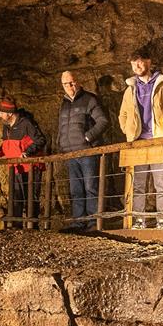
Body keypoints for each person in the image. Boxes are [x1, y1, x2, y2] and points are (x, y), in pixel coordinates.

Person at [118, 55, 163, 229]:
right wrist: (128, 131)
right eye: (133, 63)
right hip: (138, 142)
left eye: (140, 61)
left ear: (148, 62)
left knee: (161, 184)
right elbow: (123, 114)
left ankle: (161, 220)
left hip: (158, 140)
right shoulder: (130, 89)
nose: (137, 66)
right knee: (138, 184)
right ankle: (139, 220)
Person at [55, 70, 112, 230]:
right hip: (71, 153)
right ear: (62, 85)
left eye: (72, 82)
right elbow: (62, 127)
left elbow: (103, 121)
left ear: (78, 82)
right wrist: (61, 143)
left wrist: (87, 137)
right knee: (76, 190)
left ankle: (94, 223)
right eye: (66, 83)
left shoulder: (89, 99)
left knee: (90, 187)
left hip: (87, 152)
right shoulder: (64, 103)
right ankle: (79, 222)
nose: (70, 86)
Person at [0, 97, 48, 227]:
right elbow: (6, 145)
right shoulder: (6, 127)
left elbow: (40, 140)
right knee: (16, 198)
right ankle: (17, 228)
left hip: (30, 167)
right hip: (15, 168)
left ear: (9, 113)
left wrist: (28, 152)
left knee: (30, 198)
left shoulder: (26, 123)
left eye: (2, 112)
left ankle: (32, 228)